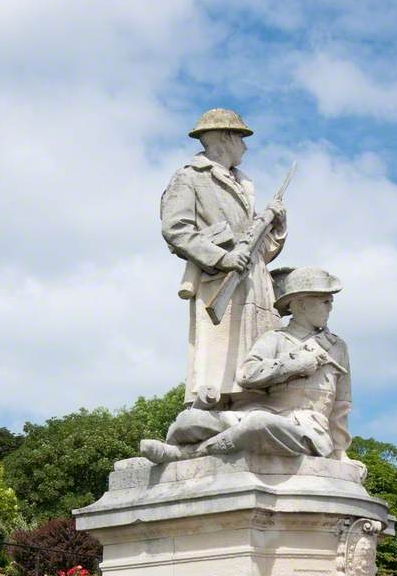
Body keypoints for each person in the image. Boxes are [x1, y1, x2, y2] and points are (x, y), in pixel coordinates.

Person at [141, 267, 356, 463]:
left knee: (257, 425)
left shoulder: (337, 347)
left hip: (309, 430)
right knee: (189, 421)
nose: (330, 307)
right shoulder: (275, 339)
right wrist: (294, 364)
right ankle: (186, 445)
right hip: (267, 413)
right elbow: (247, 374)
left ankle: (186, 454)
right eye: (325, 301)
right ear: (301, 305)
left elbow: (340, 408)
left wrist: (341, 454)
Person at [160, 108, 287, 404]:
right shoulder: (189, 177)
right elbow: (175, 230)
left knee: (255, 351)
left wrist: (276, 225)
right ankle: (216, 403)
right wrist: (221, 257)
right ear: (227, 137)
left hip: (253, 278)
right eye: (241, 138)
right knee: (219, 359)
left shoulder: (244, 184)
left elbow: (263, 249)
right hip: (220, 278)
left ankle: (252, 398)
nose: (245, 146)